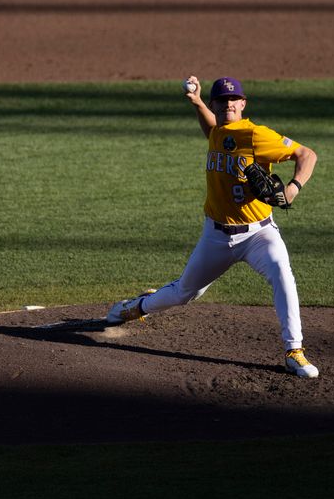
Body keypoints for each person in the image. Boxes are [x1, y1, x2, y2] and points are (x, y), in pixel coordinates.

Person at [106, 76, 320, 378]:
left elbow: (307, 154)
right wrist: (196, 103)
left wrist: (294, 187)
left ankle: (294, 351)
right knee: (184, 292)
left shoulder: (256, 135)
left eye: (234, 100)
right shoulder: (220, 132)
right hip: (216, 236)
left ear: (243, 104)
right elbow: (213, 131)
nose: (228, 104)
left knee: (282, 275)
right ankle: (136, 308)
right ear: (216, 104)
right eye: (222, 100)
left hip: (259, 233)